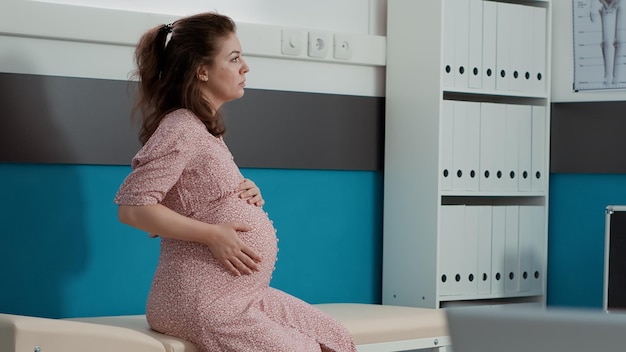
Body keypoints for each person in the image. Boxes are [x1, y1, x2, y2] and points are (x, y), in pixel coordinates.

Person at [114, 12, 356, 352]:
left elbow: (191, 199)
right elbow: (133, 209)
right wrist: (212, 234)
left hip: (240, 294)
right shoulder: (181, 126)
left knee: (336, 340)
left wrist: (244, 194)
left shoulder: (203, 130)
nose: (246, 67)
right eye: (234, 58)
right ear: (202, 70)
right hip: (202, 300)